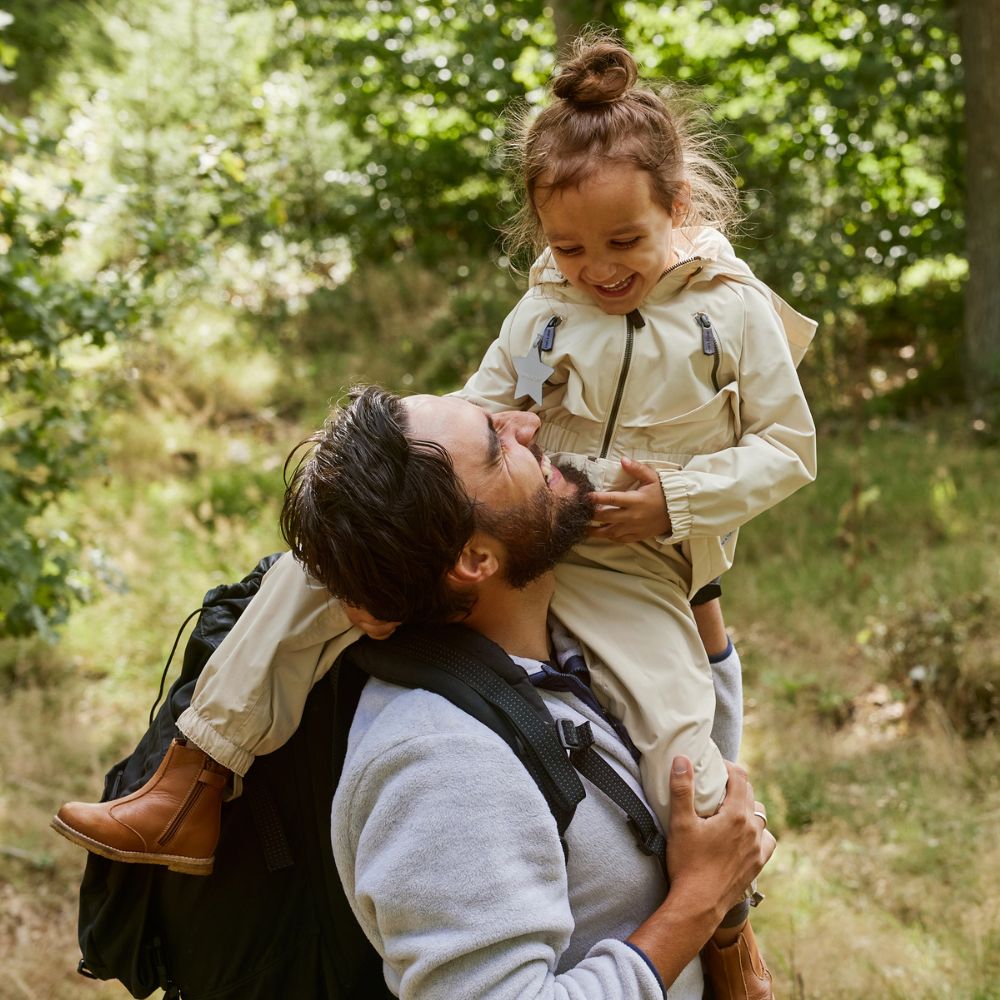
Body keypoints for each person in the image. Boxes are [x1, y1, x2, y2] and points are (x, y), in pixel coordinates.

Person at [54, 31, 812, 994]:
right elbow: (476, 428)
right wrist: (421, 486)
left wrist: (676, 501)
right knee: (316, 567)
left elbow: (788, 451)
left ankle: (726, 930)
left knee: (680, 744)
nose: (598, 269)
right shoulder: (540, 312)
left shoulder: (733, 315)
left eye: (624, 242)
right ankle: (194, 775)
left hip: (635, 553)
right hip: (525, 517)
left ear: (680, 208)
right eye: (568, 247)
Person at [292, 385, 779, 998]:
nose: (526, 425)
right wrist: (698, 904)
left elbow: (691, 730)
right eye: (497, 448)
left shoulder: (563, 641)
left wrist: (691, 560)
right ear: (474, 558)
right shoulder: (439, 763)